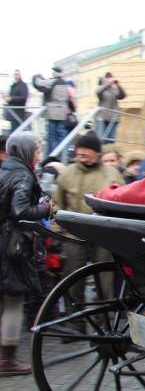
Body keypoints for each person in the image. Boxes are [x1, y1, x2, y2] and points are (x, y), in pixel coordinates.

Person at [53, 131, 124, 315]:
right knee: (73, 281)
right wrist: (57, 233)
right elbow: (57, 205)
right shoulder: (67, 174)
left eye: (87, 150)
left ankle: (105, 323)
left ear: (97, 153)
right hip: (74, 236)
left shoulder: (113, 174)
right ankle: (74, 322)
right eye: (79, 149)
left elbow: (123, 204)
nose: (81, 153)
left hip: (104, 236)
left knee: (104, 283)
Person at [0, 133, 51, 375]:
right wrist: (44, 207)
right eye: (37, 150)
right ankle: (7, 361)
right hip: (12, 245)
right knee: (14, 300)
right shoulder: (22, 174)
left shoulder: (4, 170)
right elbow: (20, 210)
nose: (38, 155)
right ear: (25, 151)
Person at [32, 67, 72, 155]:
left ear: (54, 73)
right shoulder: (65, 83)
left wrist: (37, 76)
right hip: (62, 113)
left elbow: (38, 83)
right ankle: (63, 155)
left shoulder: (52, 81)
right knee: (61, 134)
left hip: (52, 113)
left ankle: (54, 155)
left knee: (52, 136)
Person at [95, 72, 126, 142]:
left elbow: (123, 96)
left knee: (111, 140)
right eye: (108, 79)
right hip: (102, 117)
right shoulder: (101, 88)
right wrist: (107, 84)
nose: (110, 80)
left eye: (110, 78)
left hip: (113, 118)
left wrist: (118, 85)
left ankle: (107, 151)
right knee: (100, 139)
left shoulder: (114, 90)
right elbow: (97, 92)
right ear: (104, 79)